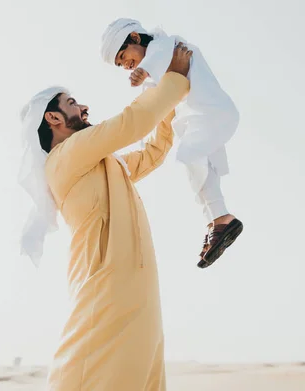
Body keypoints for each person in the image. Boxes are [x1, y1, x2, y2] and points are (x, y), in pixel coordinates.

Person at [17, 43, 192, 390]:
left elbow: (153, 153)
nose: (83, 108)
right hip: (106, 284)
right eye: (71, 104)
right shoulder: (67, 156)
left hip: (137, 287)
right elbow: (134, 122)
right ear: (52, 119)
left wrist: (166, 100)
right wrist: (175, 77)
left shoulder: (103, 164)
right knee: (93, 374)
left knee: (142, 377)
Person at [101, 18, 243, 268]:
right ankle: (216, 221)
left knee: (189, 157)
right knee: (197, 169)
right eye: (121, 64)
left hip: (211, 113)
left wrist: (143, 70)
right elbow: (153, 102)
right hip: (202, 120)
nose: (125, 65)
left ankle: (220, 218)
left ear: (135, 37)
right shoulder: (157, 67)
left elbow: (160, 57)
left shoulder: (167, 44)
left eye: (123, 56)